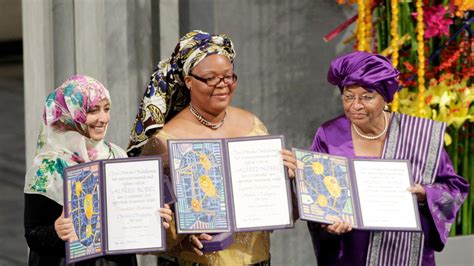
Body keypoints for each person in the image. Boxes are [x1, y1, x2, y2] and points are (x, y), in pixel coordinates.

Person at [128, 30, 296, 265]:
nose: (222, 85)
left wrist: (288, 181)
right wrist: (182, 238)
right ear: (188, 80)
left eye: (228, 77)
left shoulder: (254, 126)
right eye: (211, 78)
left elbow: (280, 211)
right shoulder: (166, 140)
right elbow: (140, 222)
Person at [306, 51, 469, 266]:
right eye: (348, 96)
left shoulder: (420, 134)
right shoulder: (329, 134)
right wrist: (327, 223)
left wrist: (425, 194)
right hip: (351, 255)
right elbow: (317, 196)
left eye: (367, 96)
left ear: (385, 97)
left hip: (406, 254)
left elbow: (454, 189)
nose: (355, 105)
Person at [23, 75, 172, 266]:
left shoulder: (117, 155)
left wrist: (152, 220)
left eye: (106, 109)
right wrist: (56, 232)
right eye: (93, 110)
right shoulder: (46, 169)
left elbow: (126, 219)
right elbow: (33, 234)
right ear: (70, 113)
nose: (103, 118)